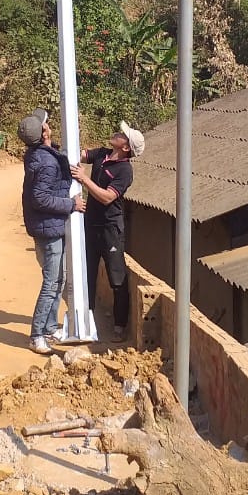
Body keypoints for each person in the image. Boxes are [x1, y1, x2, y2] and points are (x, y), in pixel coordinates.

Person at [71, 120, 145, 342]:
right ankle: (86, 322)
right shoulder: (102, 154)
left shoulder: (125, 171)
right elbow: (79, 154)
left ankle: (119, 326)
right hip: (90, 224)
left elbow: (107, 197)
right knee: (87, 275)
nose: (117, 133)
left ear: (126, 147)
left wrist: (84, 179)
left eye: (122, 135)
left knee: (117, 278)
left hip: (110, 228)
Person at [18, 107, 77, 355]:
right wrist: (71, 204)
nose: (49, 125)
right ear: (43, 133)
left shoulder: (37, 155)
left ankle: (50, 328)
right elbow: (40, 198)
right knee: (51, 283)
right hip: (49, 228)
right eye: (46, 124)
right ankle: (37, 335)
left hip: (47, 225)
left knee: (58, 280)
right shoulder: (46, 163)